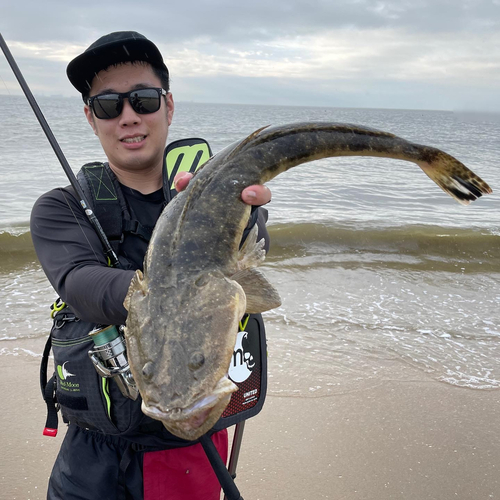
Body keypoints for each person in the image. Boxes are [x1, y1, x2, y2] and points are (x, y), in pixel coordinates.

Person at [30, 31, 272, 500]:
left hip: (196, 443)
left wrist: (246, 217)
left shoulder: (213, 206)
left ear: (168, 106)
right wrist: (177, 290)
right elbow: (78, 282)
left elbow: (252, 267)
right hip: (93, 455)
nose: (128, 117)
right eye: (107, 105)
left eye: (142, 99)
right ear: (89, 116)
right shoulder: (61, 208)